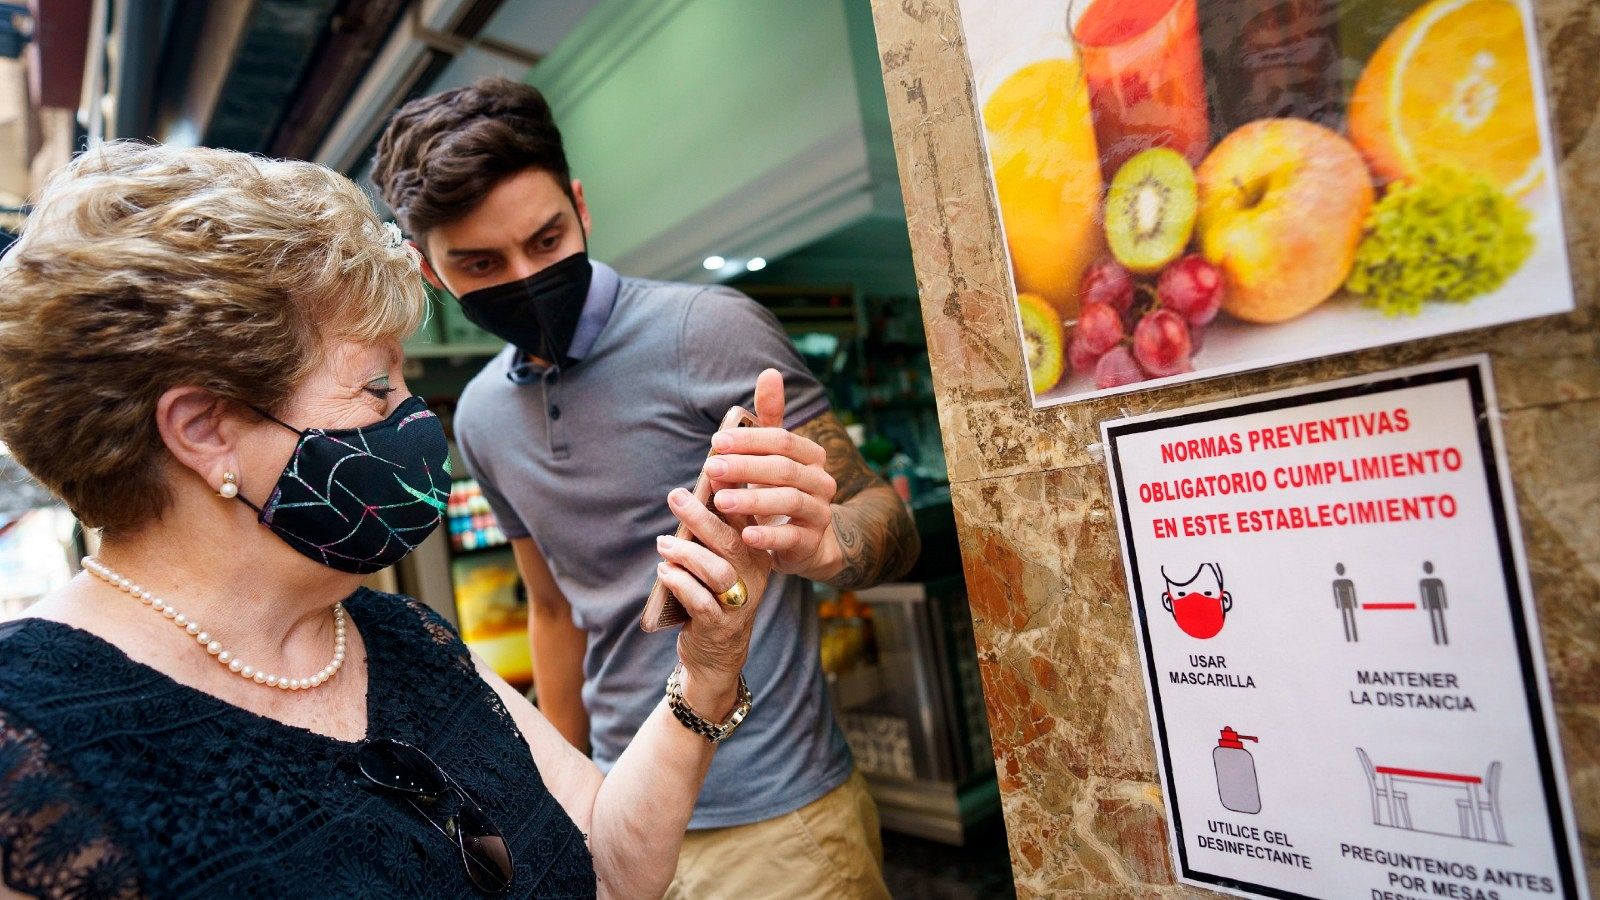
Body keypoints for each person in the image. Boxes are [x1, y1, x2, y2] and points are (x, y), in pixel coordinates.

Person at [0, 142, 779, 898]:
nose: (415, 416)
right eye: (377, 388)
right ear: (204, 430)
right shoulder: (35, 742)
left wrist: (706, 672)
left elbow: (609, 868)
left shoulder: (402, 638)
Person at [371, 77, 920, 898]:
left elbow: (886, 519)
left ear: (581, 207)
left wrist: (826, 543)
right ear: (430, 271)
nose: (525, 275)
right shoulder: (480, 416)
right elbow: (553, 611)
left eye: (546, 239)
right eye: (481, 263)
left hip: (775, 823)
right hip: (616, 815)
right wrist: (556, 805)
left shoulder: (709, 330)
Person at [1419, 561, 1448, 646]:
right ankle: (1437, 640)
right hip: (1431, 603)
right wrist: (1424, 605)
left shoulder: (1437, 581)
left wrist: (1445, 604)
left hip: (1437, 603)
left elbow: (1442, 592)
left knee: (1441, 621)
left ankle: (1444, 639)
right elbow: (1423, 594)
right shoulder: (1424, 581)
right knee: (1434, 621)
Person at [1333, 562, 1359, 642]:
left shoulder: (1348, 581)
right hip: (1343, 602)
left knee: (1351, 618)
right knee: (1345, 619)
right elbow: (1335, 594)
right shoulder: (1336, 582)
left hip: (1349, 601)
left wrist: (1355, 603)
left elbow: (1353, 592)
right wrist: (1337, 604)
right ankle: (1348, 637)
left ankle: (1354, 637)